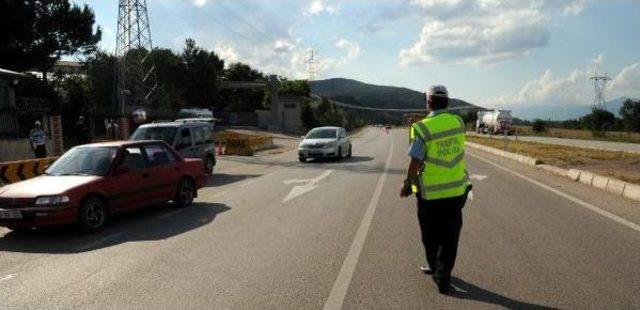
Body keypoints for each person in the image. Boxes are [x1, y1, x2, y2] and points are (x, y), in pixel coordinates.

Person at [400, 85, 471, 295]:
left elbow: (416, 160)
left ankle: (434, 267)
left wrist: (406, 184)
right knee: (450, 237)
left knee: (430, 235)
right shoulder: (458, 122)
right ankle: (443, 277)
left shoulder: (422, 128)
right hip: (457, 191)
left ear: (428, 102)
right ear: (447, 102)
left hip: (430, 194)